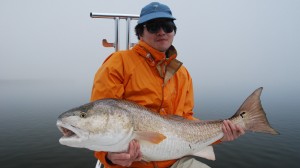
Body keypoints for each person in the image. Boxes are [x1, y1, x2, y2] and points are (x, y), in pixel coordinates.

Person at [90, 2, 244, 168]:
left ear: (173, 32)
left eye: (167, 26)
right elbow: (100, 119)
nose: (162, 32)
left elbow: (186, 120)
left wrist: (221, 134)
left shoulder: (182, 74)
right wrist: (109, 156)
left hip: (175, 160)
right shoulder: (118, 63)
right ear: (140, 33)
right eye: (154, 27)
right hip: (132, 164)